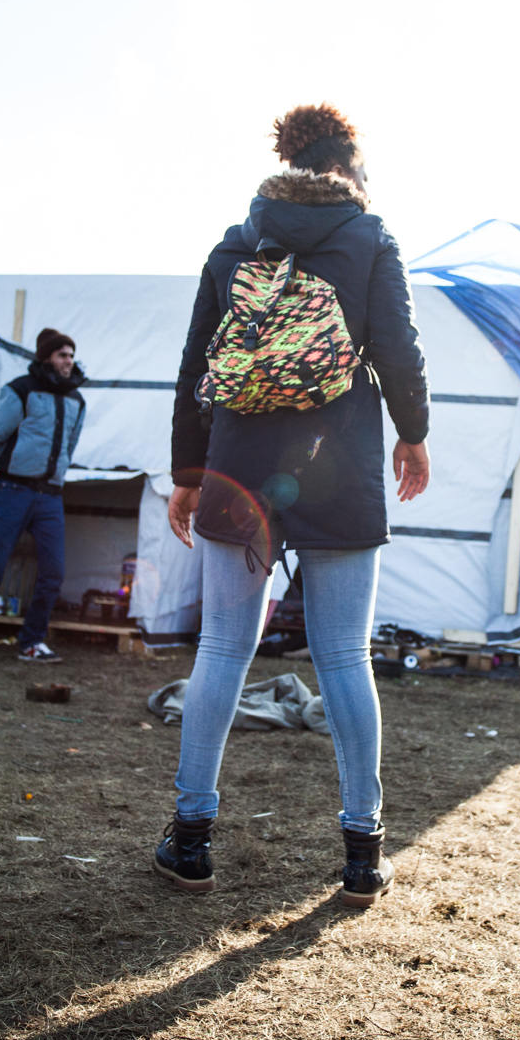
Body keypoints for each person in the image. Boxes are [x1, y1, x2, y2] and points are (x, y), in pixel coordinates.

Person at [156, 103, 430, 908]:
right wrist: (412, 433)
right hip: (338, 465)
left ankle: (193, 837)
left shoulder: (232, 245)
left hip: (240, 468)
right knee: (344, 656)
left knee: (222, 651)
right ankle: (362, 852)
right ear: (346, 169)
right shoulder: (370, 238)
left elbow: (193, 367)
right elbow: (398, 349)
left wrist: (187, 468)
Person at [0, 328, 86, 664]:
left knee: (54, 572)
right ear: (46, 358)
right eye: (61, 354)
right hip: (13, 490)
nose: (68, 360)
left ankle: (32, 643)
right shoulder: (21, 391)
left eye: (71, 354)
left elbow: (70, 446)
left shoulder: (76, 400)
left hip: (50, 496)